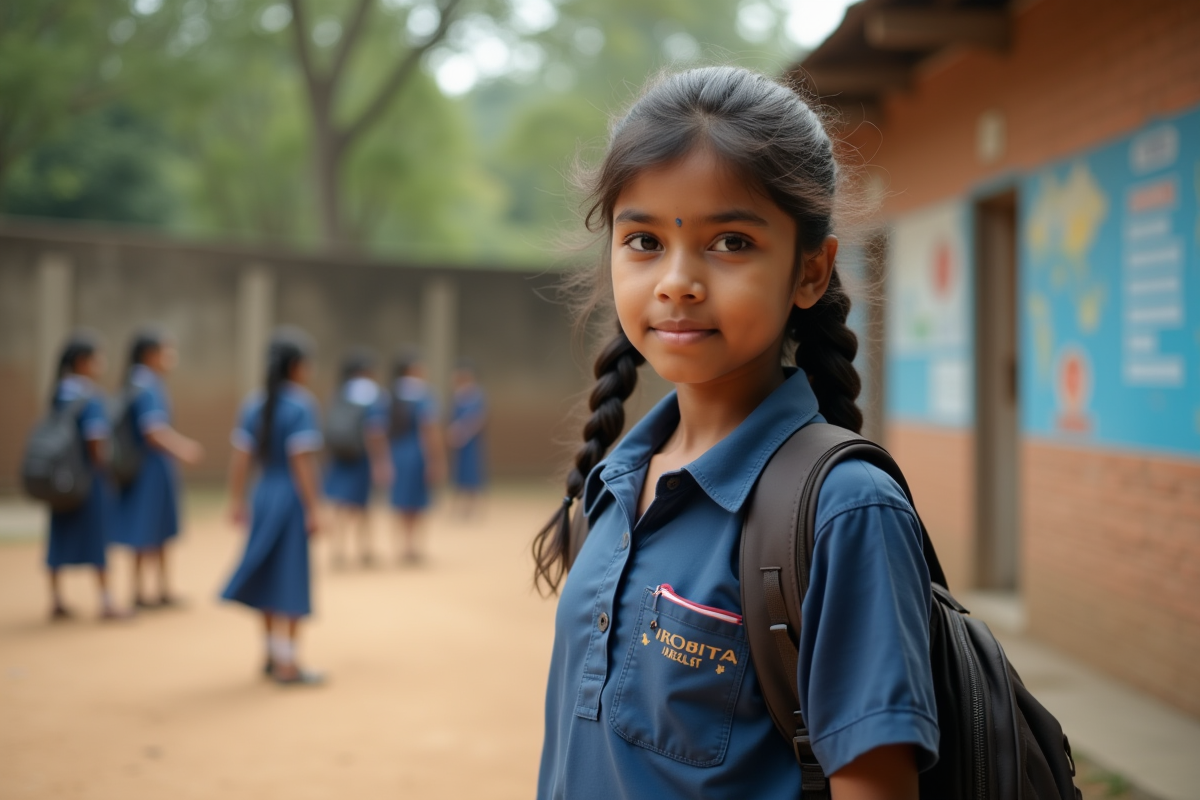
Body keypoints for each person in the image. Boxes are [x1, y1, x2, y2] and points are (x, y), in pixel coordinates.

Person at [532, 67, 937, 799]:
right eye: (645, 241)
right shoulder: (618, 478)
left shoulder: (849, 514)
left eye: (730, 242)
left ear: (810, 271)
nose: (677, 281)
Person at [221, 328, 324, 685]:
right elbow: (301, 463)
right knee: (292, 577)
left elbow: (240, 459)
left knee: (266, 574)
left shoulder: (253, 404)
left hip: (262, 494)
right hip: (290, 498)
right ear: (296, 366)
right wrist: (314, 508)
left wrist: (236, 500)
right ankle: (289, 663)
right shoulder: (301, 404)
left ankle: (269, 654)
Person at [112, 327, 204, 608]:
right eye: (167, 352)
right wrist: (183, 448)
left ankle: (155, 589)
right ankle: (145, 591)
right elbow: (153, 432)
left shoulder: (134, 382)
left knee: (155, 527)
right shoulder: (148, 385)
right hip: (150, 468)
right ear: (150, 355)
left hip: (144, 466)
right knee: (149, 527)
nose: (171, 358)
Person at [44, 331, 129, 620]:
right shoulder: (90, 396)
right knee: (97, 537)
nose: (102, 364)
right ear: (83, 361)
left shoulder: (59, 392)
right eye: (98, 358)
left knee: (59, 533)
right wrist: (107, 471)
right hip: (86, 479)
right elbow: (97, 443)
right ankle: (107, 602)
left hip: (58, 477)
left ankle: (55, 599)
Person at [322, 347, 391, 566]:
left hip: (339, 455)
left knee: (340, 504)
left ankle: (338, 551)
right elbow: (375, 431)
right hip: (361, 457)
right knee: (363, 504)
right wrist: (381, 461)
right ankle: (365, 550)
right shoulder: (372, 393)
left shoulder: (340, 392)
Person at [387, 353, 445, 563]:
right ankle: (412, 546)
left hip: (396, 453)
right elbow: (429, 429)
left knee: (400, 499)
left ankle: (401, 545)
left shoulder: (391, 393)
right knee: (417, 501)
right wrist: (436, 460)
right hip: (417, 453)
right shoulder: (423, 394)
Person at [447, 360, 486, 518]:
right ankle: (458, 507)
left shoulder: (476, 394)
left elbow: (479, 417)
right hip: (458, 444)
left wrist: (463, 431)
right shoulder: (457, 395)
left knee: (472, 473)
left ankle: (472, 507)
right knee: (459, 473)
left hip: (471, 442)